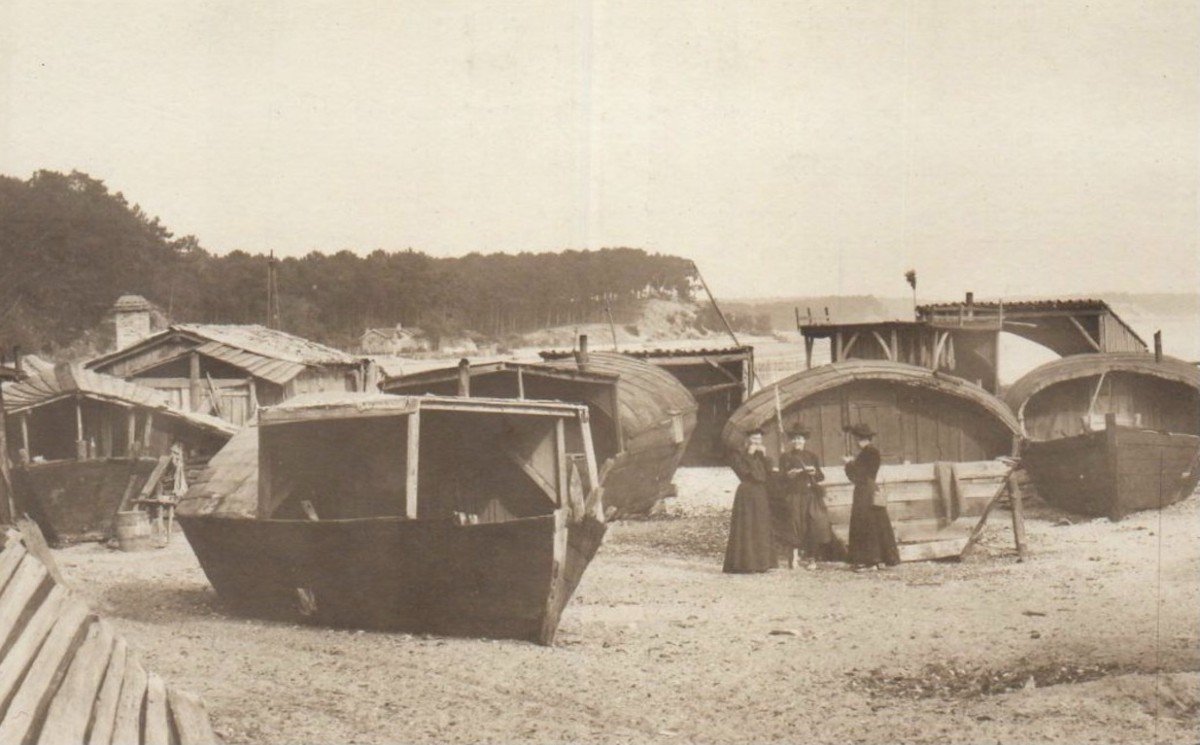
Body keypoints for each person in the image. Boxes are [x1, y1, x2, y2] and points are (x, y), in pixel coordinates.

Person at [778, 428, 844, 569]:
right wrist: (790, 475)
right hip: (794, 495)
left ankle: (811, 558)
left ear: (805, 441)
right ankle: (794, 556)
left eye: (800, 439)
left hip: (810, 495)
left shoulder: (811, 456)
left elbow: (820, 476)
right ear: (791, 441)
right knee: (794, 525)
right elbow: (781, 478)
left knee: (813, 525)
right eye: (795, 439)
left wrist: (814, 472)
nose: (797, 441)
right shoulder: (786, 457)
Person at [843, 423, 900, 571]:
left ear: (861, 439)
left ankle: (871, 561)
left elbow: (858, 476)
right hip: (868, 489)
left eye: (858, 438)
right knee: (875, 524)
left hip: (865, 491)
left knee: (865, 524)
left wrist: (849, 464)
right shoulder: (870, 452)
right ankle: (877, 559)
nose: (856, 442)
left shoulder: (868, 453)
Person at [724, 428, 777, 574]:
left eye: (759, 440)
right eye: (754, 440)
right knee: (747, 526)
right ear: (747, 441)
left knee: (761, 526)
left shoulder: (761, 456)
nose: (757, 443)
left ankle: (762, 563)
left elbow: (767, 475)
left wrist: (765, 457)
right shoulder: (738, 455)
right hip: (746, 493)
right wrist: (749, 455)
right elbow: (745, 473)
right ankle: (745, 564)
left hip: (760, 493)